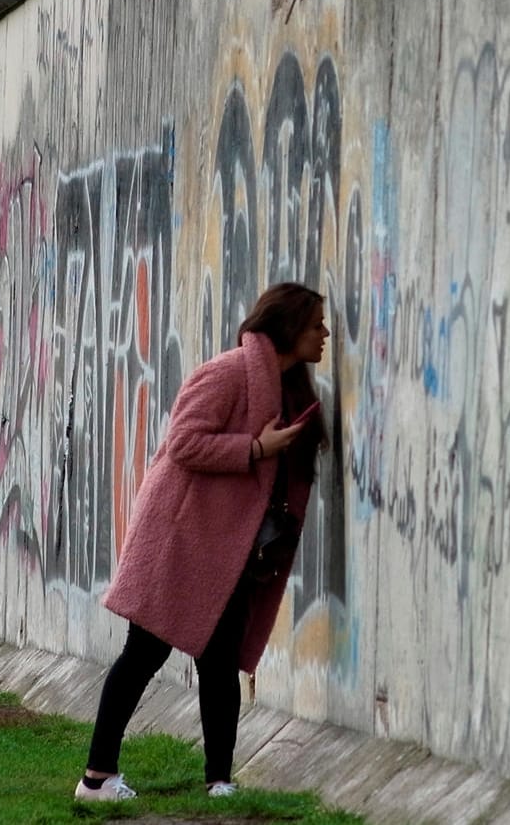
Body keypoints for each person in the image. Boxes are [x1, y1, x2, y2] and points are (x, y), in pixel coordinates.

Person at [75, 282, 331, 802]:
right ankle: (96, 778)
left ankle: (219, 780)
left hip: (228, 553)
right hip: (179, 543)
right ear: (288, 328)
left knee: (219, 665)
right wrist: (256, 448)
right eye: (315, 326)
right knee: (141, 655)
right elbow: (184, 442)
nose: (324, 335)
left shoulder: (287, 386)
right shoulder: (228, 372)